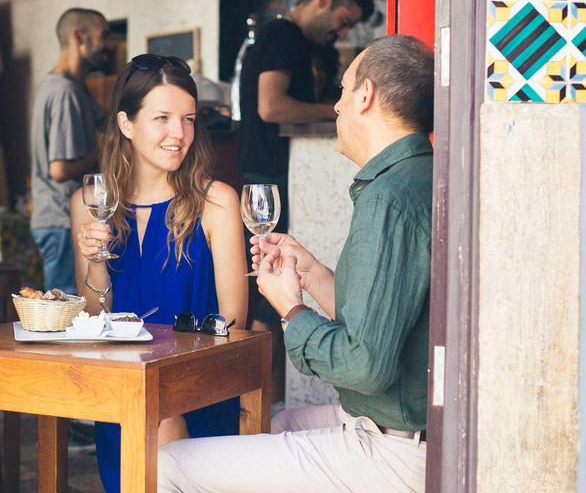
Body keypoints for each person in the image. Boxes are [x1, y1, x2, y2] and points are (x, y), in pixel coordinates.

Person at [158, 34, 435, 493]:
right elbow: (388, 317)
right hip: (407, 428)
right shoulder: (415, 177)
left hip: (397, 451)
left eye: (344, 91)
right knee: (267, 425)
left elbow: (364, 366)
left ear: (365, 95)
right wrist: (314, 275)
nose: (337, 107)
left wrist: (291, 309)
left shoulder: (390, 198)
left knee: (166, 465)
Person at [70, 54, 248, 493]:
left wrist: (169, 391)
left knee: (159, 427)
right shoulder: (91, 201)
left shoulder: (217, 202)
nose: (179, 134)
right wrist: (95, 259)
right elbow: (96, 319)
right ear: (126, 124)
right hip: (123, 392)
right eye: (163, 118)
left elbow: (235, 322)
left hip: (199, 393)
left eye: (188, 119)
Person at [237, 0, 374, 406]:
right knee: (266, 299)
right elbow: (270, 106)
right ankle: (259, 410)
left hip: (269, 173)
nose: (341, 33)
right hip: (273, 180)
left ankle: (262, 409)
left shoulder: (278, 34)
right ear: (324, 0)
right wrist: (337, 111)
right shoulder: (286, 36)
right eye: (343, 22)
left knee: (268, 289)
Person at [30, 7, 112, 295]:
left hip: (60, 218)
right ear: (80, 37)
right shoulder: (64, 91)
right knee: (67, 311)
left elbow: (108, 120)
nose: (110, 45)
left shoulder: (75, 87)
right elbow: (60, 169)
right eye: (104, 36)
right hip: (60, 218)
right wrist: (105, 153)